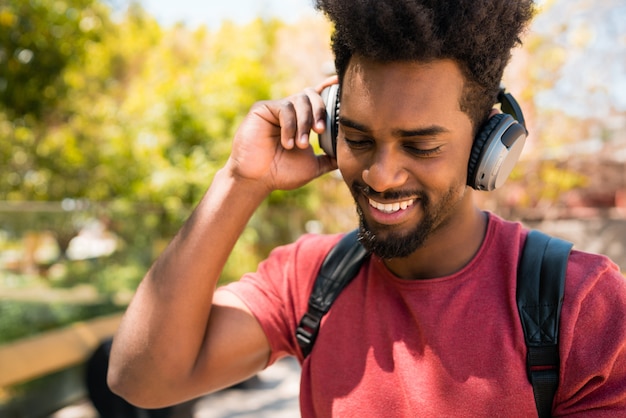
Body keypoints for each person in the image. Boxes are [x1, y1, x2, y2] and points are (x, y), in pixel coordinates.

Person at [107, 0, 626, 416]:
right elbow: (141, 379)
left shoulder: (581, 305)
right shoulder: (309, 278)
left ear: (489, 144)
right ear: (331, 128)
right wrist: (241, 180)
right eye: (356, 137)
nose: (381, 174)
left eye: (421, 146)